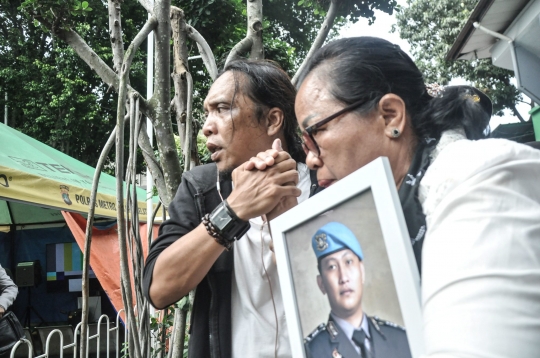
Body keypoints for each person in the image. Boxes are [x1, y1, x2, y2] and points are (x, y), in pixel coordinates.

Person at [249, 37, 540, 357]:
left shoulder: (479, 181)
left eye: (315, 132)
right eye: (304, 146)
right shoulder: (389, 214)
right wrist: (285, 223)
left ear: (390, 116)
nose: (313, 159)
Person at [143, 59, 319, 358]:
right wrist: (234, 210)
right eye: (207, 113)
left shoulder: (324, 183)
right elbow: (159, 289)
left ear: (272, 120)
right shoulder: (201, 187)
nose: (206, 129)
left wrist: (283, 215)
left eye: (222, 109)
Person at [305, 222, 411, 358]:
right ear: (321, 284)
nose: (343, 277)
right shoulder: (311, 352)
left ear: (362, 272)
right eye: (332, 267)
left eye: (348, 262)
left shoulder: (401, 340)